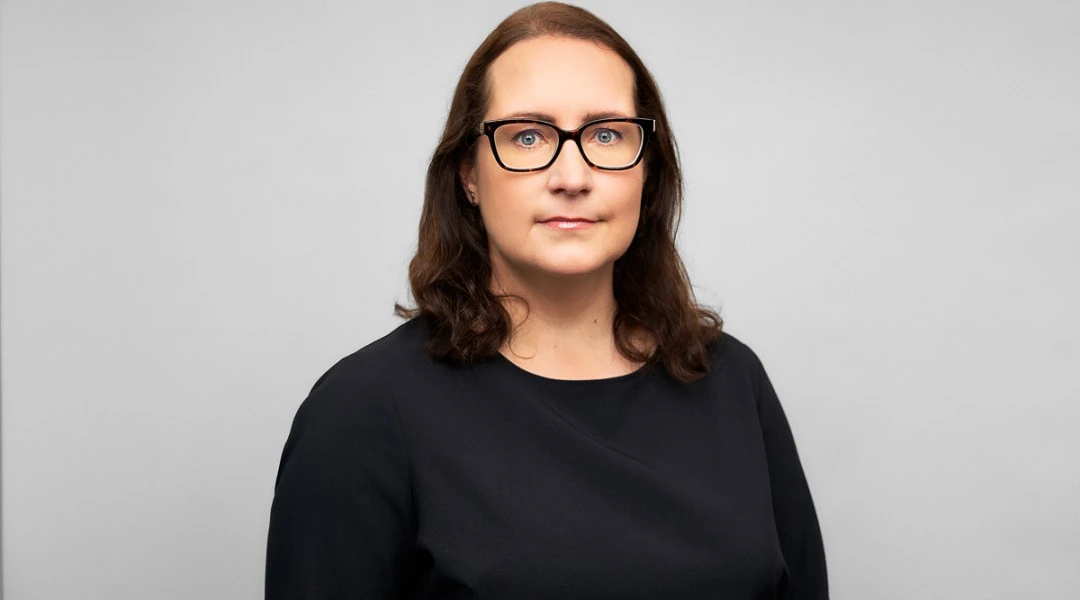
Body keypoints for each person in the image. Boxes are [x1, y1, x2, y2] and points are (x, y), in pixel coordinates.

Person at [265, 2, 828, 598]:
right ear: (468, 174)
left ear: (648, 171)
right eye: (528, 136)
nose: (572, 176)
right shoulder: (364, 411)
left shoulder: (732, 381)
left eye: (607, 134)